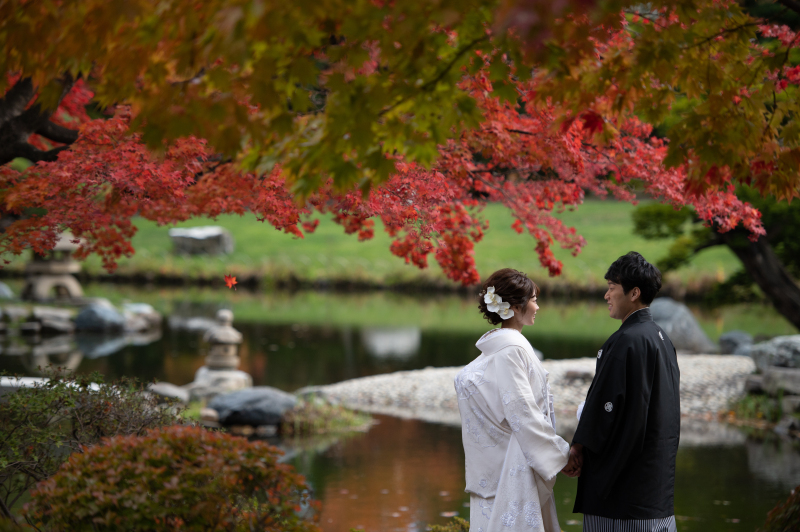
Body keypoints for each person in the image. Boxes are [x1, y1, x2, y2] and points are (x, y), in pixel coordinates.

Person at [455, 268, 578, 532]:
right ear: (514, 307)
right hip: (510, 469)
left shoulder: (499, 350)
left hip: (493, 464)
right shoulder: (511, 350)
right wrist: (560, 454)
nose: (537, 306)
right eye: (533, 299)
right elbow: (523, 413)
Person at [570, 252, 681, 532]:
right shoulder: (661, 338)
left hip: (622, 494)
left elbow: (605, 406)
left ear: (634, 292)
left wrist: (577, 448)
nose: (606, 295)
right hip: (654, 484)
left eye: (611, 287)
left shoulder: (626, 341)